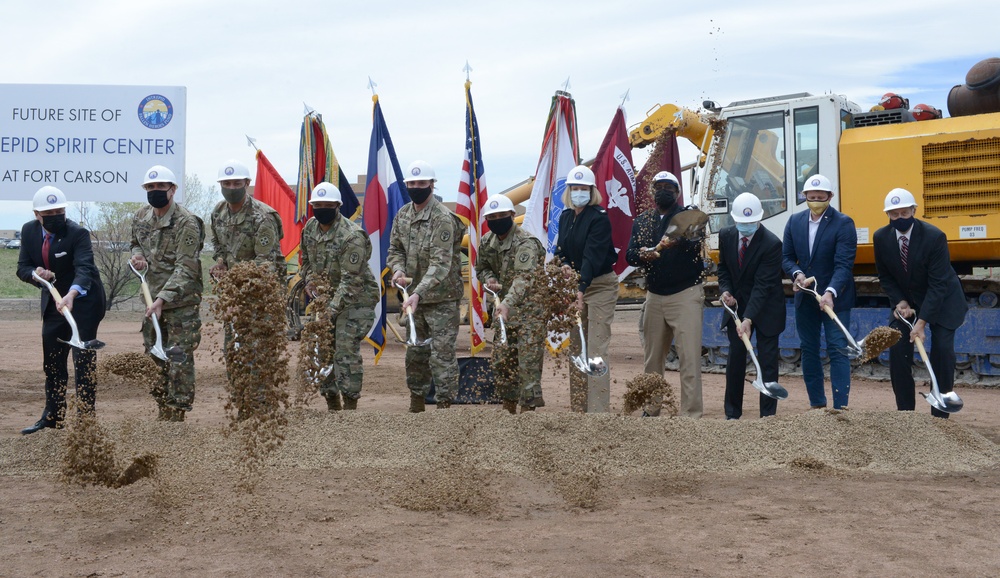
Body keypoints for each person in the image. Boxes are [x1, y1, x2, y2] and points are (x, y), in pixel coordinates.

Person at [16, 186, 107, 434]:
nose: (56, 215)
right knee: (53, 360)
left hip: (83, 301)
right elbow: (22, 267)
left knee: (83, 360)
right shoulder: (29, 231)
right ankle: (53, 416)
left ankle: (86, 421)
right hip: (55, 302)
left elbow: (85, 268)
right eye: (49, 212)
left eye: (60, 210)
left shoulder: (78, 233)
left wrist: (72, 294)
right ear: (37, 214)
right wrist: (36, 274)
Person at [874, 188, 968, 418]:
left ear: (914, 210)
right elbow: (885, 276)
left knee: (942, 351)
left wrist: (922, 322)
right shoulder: (880, 237)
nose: (899, 219)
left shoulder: (934, 236)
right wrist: (901, 301)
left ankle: (941, 412)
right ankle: (906, 414)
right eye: (893, 215)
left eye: (904, 213)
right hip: (908, 302)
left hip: (943, 301)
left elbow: (938, 285)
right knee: (897, 346)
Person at [625, 170, 706, 418]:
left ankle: (691, 414)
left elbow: (695, 242)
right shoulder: (642, 221)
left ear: (677, 192)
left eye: (669, 187)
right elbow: (629, 254)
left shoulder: (687, 216)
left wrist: (676, 240)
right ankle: (651, 408)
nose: (663, 191)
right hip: (655, 295)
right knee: (652, 360)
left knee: (689, 358)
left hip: (685, 294)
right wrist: (643, 254)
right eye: (659, 186)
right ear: (652, 192)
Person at [129, 165, 206, 422]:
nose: (155, 191)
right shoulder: (140, 216)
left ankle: (177, 415)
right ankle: (163, 410)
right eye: (150, 187)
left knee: (178, 359)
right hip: (152, 302)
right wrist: (137, 257)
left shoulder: (187, 222)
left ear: (173, 190)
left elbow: (186, 267)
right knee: (154, 358)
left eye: (161, 187)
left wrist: (163, 299)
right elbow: (135, 244)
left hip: (179, 303)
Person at [388, 160, 464, 412]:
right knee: (416, 354)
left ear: (432, 185)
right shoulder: (403, 215)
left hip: (441, 299)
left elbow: (440, 264)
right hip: (413, 300)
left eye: (422, 183)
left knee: (441, 355)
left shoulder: (442, 218)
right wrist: (398, 269)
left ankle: (444, 408)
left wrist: (419, 292)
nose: (416, 187)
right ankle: (417, 404)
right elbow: (395, 249)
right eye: (412, 184)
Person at [300, 182, 379, 411]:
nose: (321, 208)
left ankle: (350, 406)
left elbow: (350, 282)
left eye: (327, 205)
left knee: (344, 348)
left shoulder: (352, 236)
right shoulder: (310, 229)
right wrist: (308, 280)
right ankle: (332, 404)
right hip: (327, 299)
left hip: (357, 299)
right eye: (317, 205)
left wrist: (329, 312)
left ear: (337, 206)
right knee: (324, 348)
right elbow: (306, 262)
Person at [781, 174, 857, 410]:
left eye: (820, 197)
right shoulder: (794, 222)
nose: (815, 201)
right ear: (804, 197)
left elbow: (844, 264)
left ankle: (840, 407)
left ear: (830, 197)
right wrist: (797, 274)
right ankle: (817, 404)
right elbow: (786, 257)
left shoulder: (843, 223)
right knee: (809, 349)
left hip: (836, 299)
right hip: (806, 297)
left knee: (837, 348)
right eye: (811, 197)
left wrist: (831, 292)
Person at [476, 194, 547, 414]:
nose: (496, 219)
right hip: (504, 313)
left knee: (527, 365)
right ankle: (509, 411)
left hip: (529, 313)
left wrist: (506, 303)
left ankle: (527, 416)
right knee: (502, 364)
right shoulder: (488, 241)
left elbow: (523, 278)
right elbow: (482, 268)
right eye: (492, 216)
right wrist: (490, 279)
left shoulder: (526, 243)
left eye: (501, 215)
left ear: (512, 215)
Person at [555, 165, 617, 413]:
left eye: (584, 188)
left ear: (591, 191)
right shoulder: (565, 217)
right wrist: (564, 267)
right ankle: (579, 409)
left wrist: (580, 290)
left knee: (597, 349)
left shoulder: (599, 218)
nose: (579, 192)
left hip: (599, 286)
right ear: (569, 191)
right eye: (575, 188)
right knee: (578, 348)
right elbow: (562, 251)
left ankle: (598, 412)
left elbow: (592, 257)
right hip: (575, 287)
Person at [717, 193, 784, 419]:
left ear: (759, 220)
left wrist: (748, 318)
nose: (746, 227)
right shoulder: (726, 236)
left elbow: (762, 286)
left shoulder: (772, 244)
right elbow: (724, 269)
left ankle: (767, 417)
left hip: (766, 309)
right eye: (742, 223)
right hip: (737, 308)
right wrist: (726, 291)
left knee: (767, 361)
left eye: (751, 223)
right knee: (735, 360)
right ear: (734, 220)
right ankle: (732, 414)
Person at [209, 159, 284, 283]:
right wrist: (221, 262)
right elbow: (217, 243)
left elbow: (265, 262)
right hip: (233, 286)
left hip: (263, 287)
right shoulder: (218, 212)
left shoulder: (263, 216)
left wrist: (233, 276)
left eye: (237, 183)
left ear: (247, 183)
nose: (231, 188)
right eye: (226, 183)